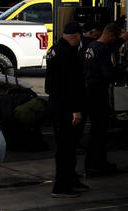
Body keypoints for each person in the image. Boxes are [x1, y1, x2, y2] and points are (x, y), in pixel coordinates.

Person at [44, 22, 86, 197]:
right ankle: (62, 186)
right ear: (76, 36)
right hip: (65, 107)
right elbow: (69, 85)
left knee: (67, 146)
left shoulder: (55, 49)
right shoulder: (67, 54)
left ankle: (70, 179)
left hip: (56, 103)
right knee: (66, 148)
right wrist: (75, 110)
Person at [81, 22, 123, 176]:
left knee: (95, 131)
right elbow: (108, 74)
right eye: (115, 37)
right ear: (110, 35)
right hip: (98, 94)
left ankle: (94, 164)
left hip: (89, 91)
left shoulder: (91, 46)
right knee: (99, 131)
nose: (114, 40)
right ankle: (96, 165)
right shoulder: (102, 50)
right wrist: (122, 71)